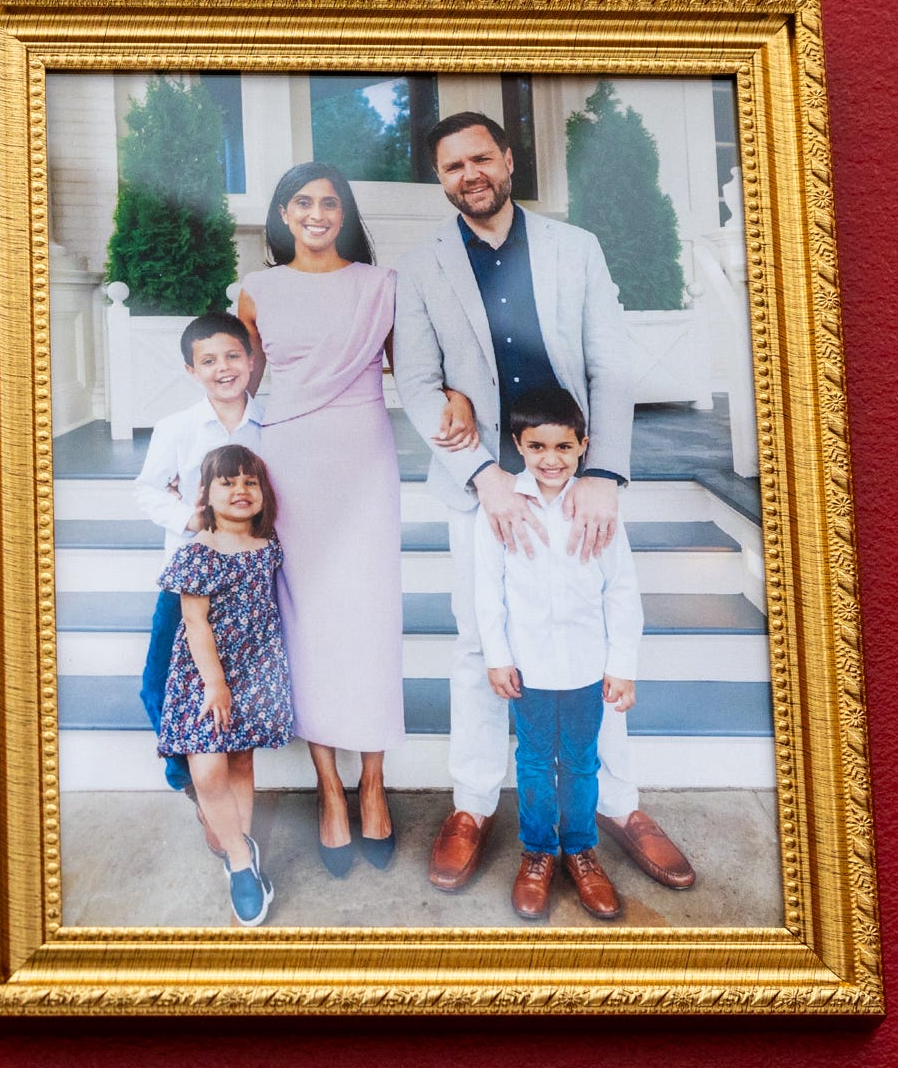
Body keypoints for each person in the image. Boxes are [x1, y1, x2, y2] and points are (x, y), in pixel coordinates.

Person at [392, 109, 698, 895]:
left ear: (507, 162)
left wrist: (604, 476)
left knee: (594, 644)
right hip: (480, 486)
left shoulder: (574, 248)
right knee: (478, 648)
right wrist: (482, 478)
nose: (470, 175)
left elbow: (611, 365)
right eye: (452, 166)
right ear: (441, 179)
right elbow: (420, 385)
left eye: (480, 158)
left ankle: (621, 806)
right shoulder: (422, 264)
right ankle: (471, 805)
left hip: (572, 475)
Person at [238, 163, 406, 875]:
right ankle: (329, 788)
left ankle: (373, 782)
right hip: (292, 462)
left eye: (328, 202)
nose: (315, 212)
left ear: (345, 212)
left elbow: (414, 376)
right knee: (305, 618)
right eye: (301, 202)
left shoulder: (380, 286)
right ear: (282, 212)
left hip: (364, 458)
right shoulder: (256, 290)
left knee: (370, 618)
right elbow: (236, 387)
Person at [472, 387, 643, 921]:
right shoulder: (501, 508)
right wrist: (497, 656)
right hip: (529, 668)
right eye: (538, 446)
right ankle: (538, 853)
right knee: (533, 761)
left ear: (583, 446)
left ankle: (580, 849)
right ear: (519, 447)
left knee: (580, 761)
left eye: (564, 447)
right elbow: (488, 589)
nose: (551, 459)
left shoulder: (596, 508)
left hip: (588, 667)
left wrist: (622, 666)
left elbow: (622, 590)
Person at [155, 445, 295, 926]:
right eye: (227, 483)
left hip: (256, 669)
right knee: (208, 770)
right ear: (206, 494)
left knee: (239, 760)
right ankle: (239, 853)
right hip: (205, 673)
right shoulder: (199, 552)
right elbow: (195, 624)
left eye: (250, 483)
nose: (240, 491)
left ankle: (242, 861)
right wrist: (215, 683)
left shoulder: (271, 545)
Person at [132, 313, 264, 791]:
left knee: (234, 684)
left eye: (233, 356)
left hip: (252, 581)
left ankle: (226, 781)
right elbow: (148, 490)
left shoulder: (272, 423)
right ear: (192, 371)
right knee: (157, 681)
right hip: (191, 574)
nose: (223, 368)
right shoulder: (177, 427)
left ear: (251, 361)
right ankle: (190, 780)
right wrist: (188, 517)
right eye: (208, 361)